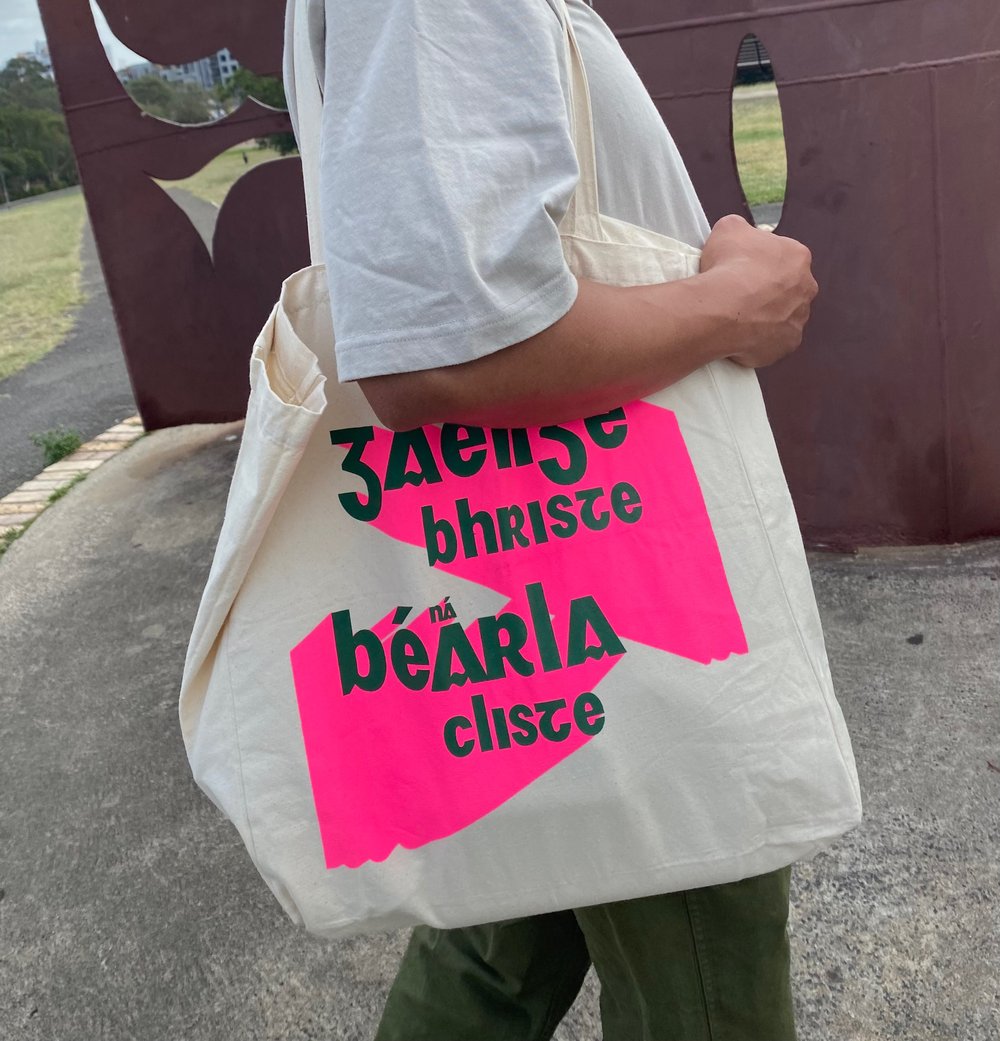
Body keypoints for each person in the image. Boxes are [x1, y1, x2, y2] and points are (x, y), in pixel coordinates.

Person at [286, 0, 819, 1037]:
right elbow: (446, 351)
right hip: (620, 582)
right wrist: (735, 304)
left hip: (522, 576)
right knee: (703, 959)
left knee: (506, 927)